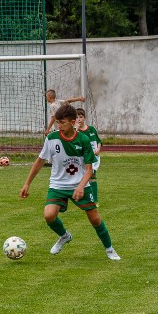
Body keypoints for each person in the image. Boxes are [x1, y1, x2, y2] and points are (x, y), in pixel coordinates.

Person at [20, 103, 121, 261]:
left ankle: (109, 249)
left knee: (94, 218)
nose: (58, 125)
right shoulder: (52, 138)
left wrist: (81, 186)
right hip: (57, 185)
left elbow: (89, 169)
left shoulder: (83, 140)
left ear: (73, 122)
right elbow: (39, 161)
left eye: (62, 122)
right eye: (57, 122)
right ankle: (64, 236)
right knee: (49, 215)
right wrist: (27, 183)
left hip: (80, 184)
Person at [75, 108, 101, 203]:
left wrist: (98, 148)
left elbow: (98, 141)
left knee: (92, 178)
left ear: (84, 118)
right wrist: (76, 130)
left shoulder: (91, 129)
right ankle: (84, 196)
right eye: (76, 117)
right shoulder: (75, 132)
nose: (79, 119)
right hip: (82, 159)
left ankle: (94, 200)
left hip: (93, 158)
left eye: (81, 117)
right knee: (83, 179)